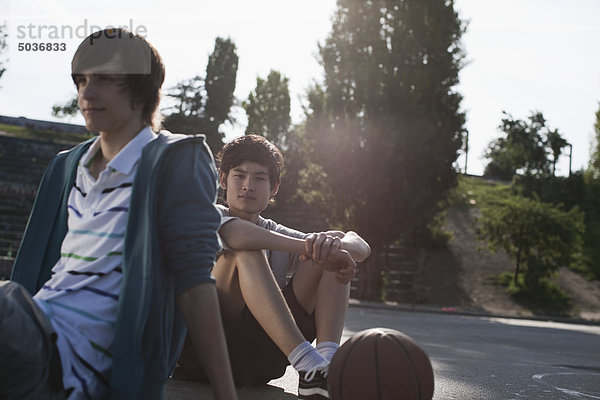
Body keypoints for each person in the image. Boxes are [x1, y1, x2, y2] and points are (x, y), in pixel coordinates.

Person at [1, 28, 237, 400]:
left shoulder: (173, 161)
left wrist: (227, 395)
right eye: (81, 80)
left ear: (143, 91)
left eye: (105, 80)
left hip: (68, 360)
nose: (86, 92)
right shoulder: (70, 166)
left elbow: (194, 285)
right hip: (29, 328)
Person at [175, 134, 371, 399]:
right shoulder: (207, 215)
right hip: (204, 351)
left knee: (327, 252)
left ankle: (324, 367)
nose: (248, 185)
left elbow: (359, 246)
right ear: (223, 180)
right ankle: (307, 361)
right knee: (244, 253)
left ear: (274, 186)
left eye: (259, 178)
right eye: (239, 175)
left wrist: (333, 247)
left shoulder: (275, 232)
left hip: (260, 357)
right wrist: (308, 247)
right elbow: (236, 236)